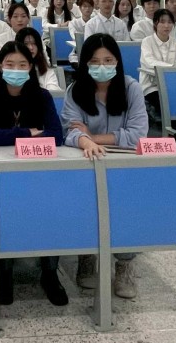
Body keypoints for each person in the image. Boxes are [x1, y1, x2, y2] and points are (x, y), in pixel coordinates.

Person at [0, 42, 68, 306]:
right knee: (3, 212)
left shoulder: (42, 96)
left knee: (51, 209)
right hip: (1, 173)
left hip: (38, 171)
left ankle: (49, 273)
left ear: (30, 68)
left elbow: (56, 135)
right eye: (10, 64)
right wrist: (27, 133)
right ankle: (4, 272)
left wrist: (10, 136)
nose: (16, 70)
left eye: (22, 65)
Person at [64, 34, 149, 300]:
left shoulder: (131, 88)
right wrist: (85, 140)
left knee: (126, 206)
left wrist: (91, 137)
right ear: (85, 64)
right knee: (84, 203)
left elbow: (138, 134)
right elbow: (69, 132)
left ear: (117, 62)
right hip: (87, 164)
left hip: (124, 165)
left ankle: (124, 263)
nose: (102, 66)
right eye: (95, 61)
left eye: (108, 60)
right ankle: (87, 256)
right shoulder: (75, 91)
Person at [138, 9, 176, 127]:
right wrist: (173, 67)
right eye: (162, 22)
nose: (166, 25)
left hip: (173, 85)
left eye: (170, 22)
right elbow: (149, 62)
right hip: (152, 86)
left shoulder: (175, 42)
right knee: (168, 104)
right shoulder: (147, 41)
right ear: (155, 23)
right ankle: (172, 130)